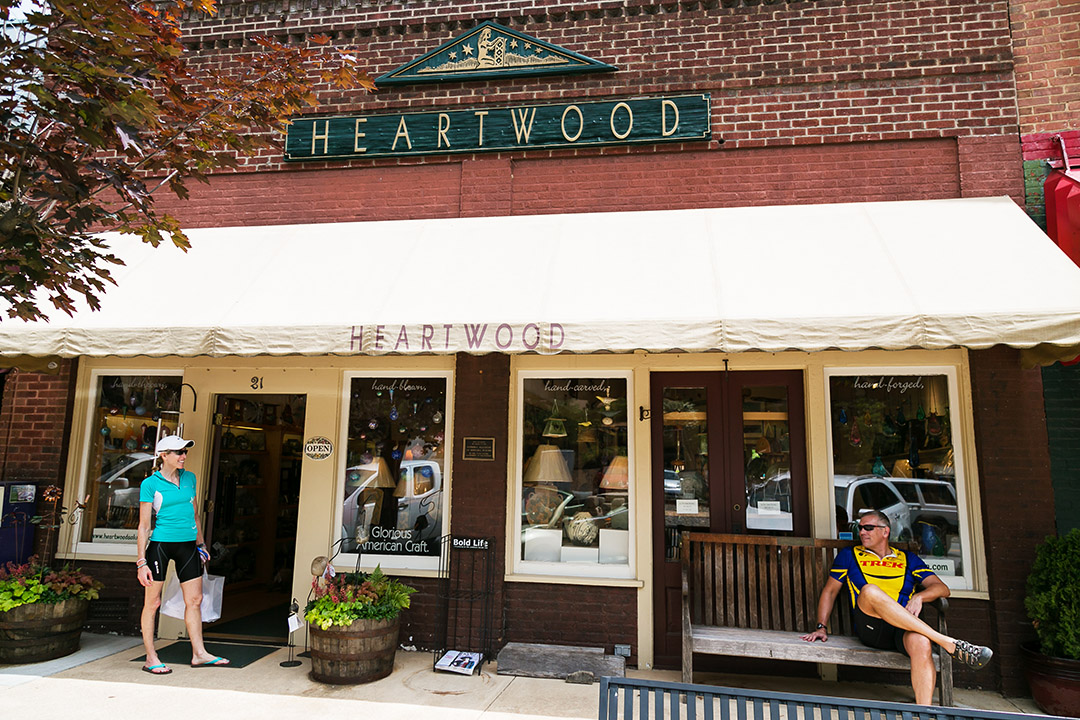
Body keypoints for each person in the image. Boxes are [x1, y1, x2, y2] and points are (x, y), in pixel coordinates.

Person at [800, 509, 991, 705]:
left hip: (903, 629)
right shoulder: (849, 555)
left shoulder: (907, 559)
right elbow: (830, 591)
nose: (862, 532)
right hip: (871, 626)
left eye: (868, 527)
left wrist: (919, 596)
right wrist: (821, 626)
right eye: (860, 528)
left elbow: (942, 588)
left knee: (922, 643)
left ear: (885, 531)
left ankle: (923, 712)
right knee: (870, 591)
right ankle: (947, 642)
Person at [136, 435, 229, 674]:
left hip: (188, 545)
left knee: (195, 600)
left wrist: (202, 544)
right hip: (160, 546)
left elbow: (195, 514)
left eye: (185, 452)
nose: (183, 456)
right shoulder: (151, 484)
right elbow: (144, 526)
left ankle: (199, 653)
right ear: (163, 455)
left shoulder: (190, 478)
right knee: (152, 602)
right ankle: (150, 657)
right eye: (178, 452)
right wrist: (141, 562)